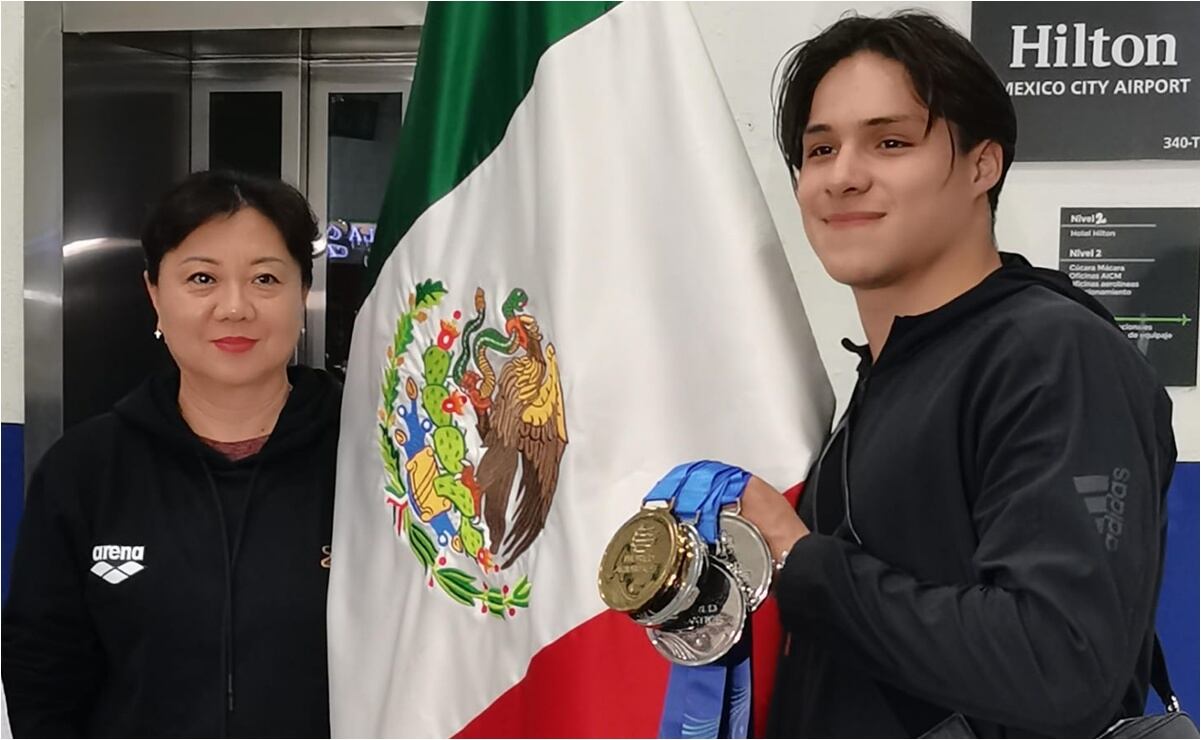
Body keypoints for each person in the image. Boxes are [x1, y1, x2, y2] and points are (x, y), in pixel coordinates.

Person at [735, 12, 1177, 738]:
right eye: (820, 149)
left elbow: (1060, 665)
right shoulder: (889, 373)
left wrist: (801, 563)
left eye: (890, 141)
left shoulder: (1051, 354)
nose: (843, 176)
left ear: (982, 164)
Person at [2, 171, 342, 737]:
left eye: (264, 278)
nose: (234, 308)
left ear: (301, 293)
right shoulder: (86, 470)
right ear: (155, 294)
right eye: (202, 278)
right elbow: (44, 675)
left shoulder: (378, 461)